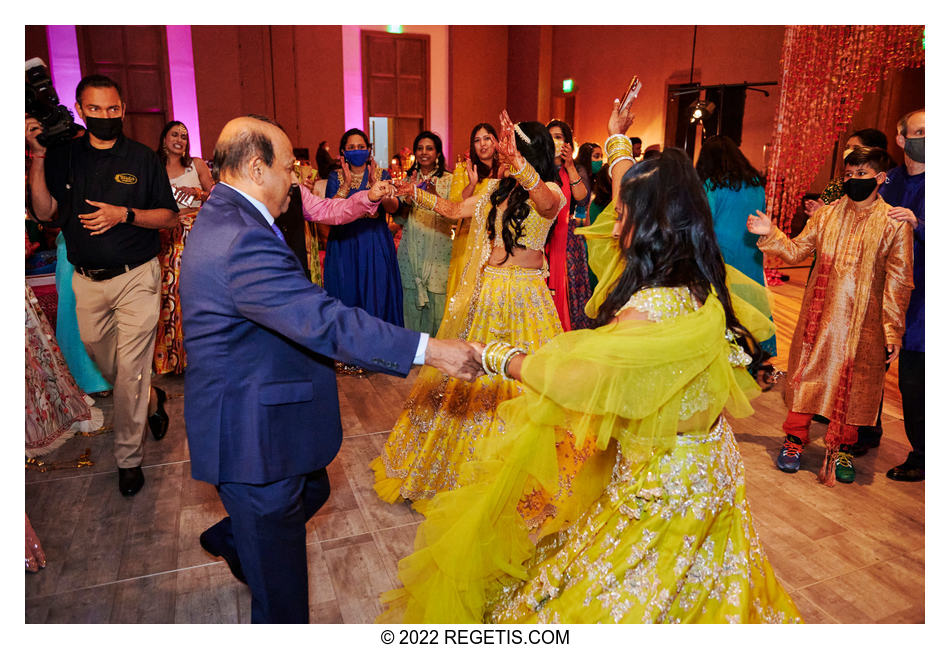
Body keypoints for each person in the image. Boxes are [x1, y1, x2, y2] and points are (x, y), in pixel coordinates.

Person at [377, 99, 800, 624]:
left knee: (625, 588)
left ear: (645, 227)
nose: (612, 222)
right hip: (717, 470)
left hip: (666, 486)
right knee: (714, 585)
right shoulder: (700, 278)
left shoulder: (649, 312)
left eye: (620, 215)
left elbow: (573, 380)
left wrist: (496, 356)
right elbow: (626, 185)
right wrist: (617, 139)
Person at [179, 115, 483, 624]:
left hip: (256, 414)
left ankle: (240, 537)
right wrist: (433, 350)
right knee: (283, 607)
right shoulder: (241, 239)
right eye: (288, 168)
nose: (295, 179)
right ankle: (253, 541)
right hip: (253, 440)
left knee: (314, 487)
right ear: (257, 169)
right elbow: (323, 320)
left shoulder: (230, 217)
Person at [370, 112, 566, 503]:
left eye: (516, 150)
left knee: (524, 383)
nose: (506, 155)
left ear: (530, 153)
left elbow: (543, 203)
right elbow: (452, 210)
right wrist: (410, 192)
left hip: (526, 298)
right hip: (488, 292)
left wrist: (519, 163)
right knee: (469, 378)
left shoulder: (551, 191)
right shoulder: (497, 189)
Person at [26, 74, 179, 497]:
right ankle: (150, 398)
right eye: (95, 110)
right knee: (109, 364)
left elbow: (169, 218)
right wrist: (37, 156)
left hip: (137, 277)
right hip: (87, 283)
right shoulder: (64, 157)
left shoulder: (142, 158)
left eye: (113, 109)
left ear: (123, 110)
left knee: (129, 373)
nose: (106, 116)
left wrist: (124, 214)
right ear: (80, 110)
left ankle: (128, 460)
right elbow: (46, 213)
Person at [748, 146, 914, 485]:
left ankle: (843, 449)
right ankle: (794, 440)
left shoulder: (894, 224)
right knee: (807, 375)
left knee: (854, 386)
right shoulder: (826, 215)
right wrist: (771, 233)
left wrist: (892, 330)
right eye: (849, 174)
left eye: (862, 175)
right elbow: (796, 250)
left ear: (880, 179)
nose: (853, 181)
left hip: (865, 324)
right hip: (819, 319)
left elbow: (899, 281)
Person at [696, 135, 777, 365]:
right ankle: (755, 354)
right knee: (751, 301)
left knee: (726, 304)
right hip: (750, 251)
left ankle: (728, 357)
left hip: (722, 254)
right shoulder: (755, 183)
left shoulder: (712, 185)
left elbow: (705, 221)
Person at [875, 109, 924, 481]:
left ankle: (923, 453)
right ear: (902, 139)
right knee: (876, 367)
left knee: (916, 379)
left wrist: (919, 224)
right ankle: (863, 430)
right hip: (886, 294)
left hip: (926, 299)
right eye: (921, 132)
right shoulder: (887, 180)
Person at [323, 128, 404, 334]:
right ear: (343, 152)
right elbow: (330, 212)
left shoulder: (381, 174)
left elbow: (393, 209)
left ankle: (378, 347)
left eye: (361, 147)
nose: (357, 151)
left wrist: (377, 186)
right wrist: (347, 185)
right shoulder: (335, 177)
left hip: (374, 241)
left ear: (368, 151)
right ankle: (348, 352)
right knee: (347, 292)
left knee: (376, 292)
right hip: (344, 243)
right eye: (351, 147)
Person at [154, 120, 214, 375]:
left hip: (198, 232)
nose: (180, 139)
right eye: (175, 134)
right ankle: (175, 357)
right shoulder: (154, 169)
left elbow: (216, 193)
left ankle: (204, 356)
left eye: (185, 136)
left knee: (200, 292)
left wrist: (198, 193)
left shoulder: (196, 165)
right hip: (168, 235)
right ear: (164, 139)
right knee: (170, 293)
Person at [394, 131, 454, 335]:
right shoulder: (408, 180)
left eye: (429, 148)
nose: (424, 152)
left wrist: (436, 198)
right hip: (410, 252)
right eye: (420, 148)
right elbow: (399, 220)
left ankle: (435, 361)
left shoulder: (449, 180)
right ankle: (414, 359)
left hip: (438, 252)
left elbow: (454, 217)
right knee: (410, 306)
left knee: (437, 305)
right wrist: (408, 197)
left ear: (438, 153)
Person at [546, 119, 593, 331]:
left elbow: (582, 200)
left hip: (567, 241)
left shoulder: (574, 170)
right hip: (542, 240)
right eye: (550, 137)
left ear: (567, 143)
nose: (554, 142)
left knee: (569, 293)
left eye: (558, 137)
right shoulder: (540, 170)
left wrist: (570, 166)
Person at [446, 122, 501, 297]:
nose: (483, 144)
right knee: (467, 295)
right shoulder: (464, 169)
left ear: (496, 142)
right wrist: (471, 184)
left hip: (496, 240)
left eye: (487, 139)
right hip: (468, 239)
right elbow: (456, 206)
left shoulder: (506, 170)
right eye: (477, 140)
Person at [805, 128, 890, 216]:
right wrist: (822, 214)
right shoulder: (838, 184)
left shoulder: (888, 186)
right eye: (847, 148)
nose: (849, 152)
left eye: (856, 148)